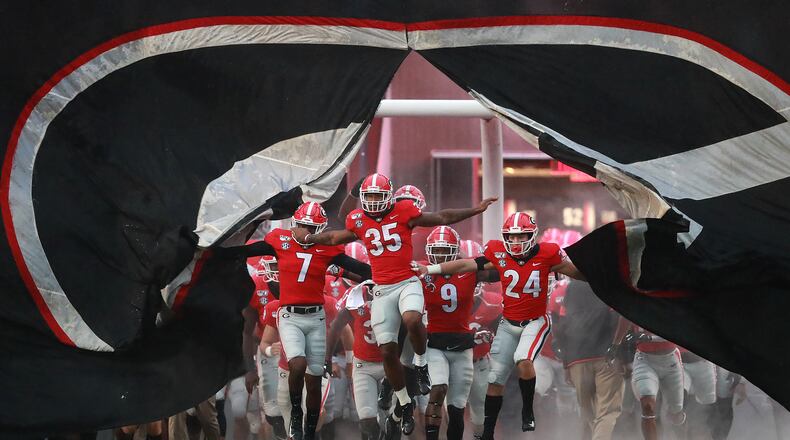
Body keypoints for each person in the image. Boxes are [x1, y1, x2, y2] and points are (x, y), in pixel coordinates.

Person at [292, 173, 496, 435]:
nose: (375, 202)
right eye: (370, 196)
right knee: (388, 349)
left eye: (379, 196)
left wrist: (475, 210)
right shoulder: (359, 219)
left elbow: (442, 217)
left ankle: (421, 365)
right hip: (382, 288)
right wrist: (308, 238)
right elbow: (335, 236)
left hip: (408, 281)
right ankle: (402, 401)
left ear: (391, 198)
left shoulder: (404, 211)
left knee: (412, 319)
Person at [412, 212, 585, 438]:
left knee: (514, 373)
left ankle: (526, 416)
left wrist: (602, 277)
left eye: (521, 237)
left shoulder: (546, 256)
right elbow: (468, 265)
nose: (515, 242)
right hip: (488, 331)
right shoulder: (495, 256)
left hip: (528, 328)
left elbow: (573, 272)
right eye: (511, 238)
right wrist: (430, 270)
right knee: (466, 393)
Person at [217, 201, 371, 440]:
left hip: (316, 317)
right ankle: (296, 415)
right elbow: (248, 250)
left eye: (311, 228)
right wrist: (214, 250)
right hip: (289, 315)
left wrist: (390, 274)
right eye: (302, 226)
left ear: (320, 230)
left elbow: (357, 268)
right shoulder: (280, 240)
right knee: (297, 363)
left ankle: (307, 425)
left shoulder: (327, 249)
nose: (305, 232)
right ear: (294, 224)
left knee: (314, 375)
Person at [418, 227, 498, 440]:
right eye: (437, 250)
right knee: (437, 389)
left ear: (456, 252)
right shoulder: (421, 271)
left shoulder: (470, 271)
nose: (441, 256)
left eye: (446, 250)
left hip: (463, 348)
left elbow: (499, 270)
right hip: (434, 345)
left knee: (457, 410)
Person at [552, 280, 625, 440]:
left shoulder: (569, 288)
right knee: (606, 412)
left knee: (589, 413)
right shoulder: (608, 283)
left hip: (576, 359)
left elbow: (562, 326)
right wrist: (620, 353)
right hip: (606, 357)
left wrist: (566, 363)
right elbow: (622, 317)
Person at [628, 326, 686, 440]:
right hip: (644, 359)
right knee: (647, 406)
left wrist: (649, 338)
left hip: (670, 361)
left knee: (676, 414)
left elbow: (677, 332)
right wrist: (615, 346)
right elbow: (623, 321)